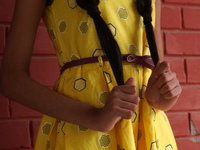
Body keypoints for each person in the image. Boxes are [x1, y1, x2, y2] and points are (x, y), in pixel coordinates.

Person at [0, 0, 182, 149]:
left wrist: (161, 97)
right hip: (84, 131)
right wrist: (93, 117)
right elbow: (11, 79)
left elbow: (156, 68)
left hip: (149, 131)